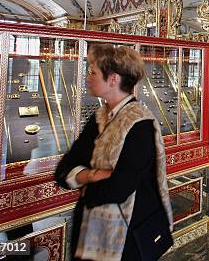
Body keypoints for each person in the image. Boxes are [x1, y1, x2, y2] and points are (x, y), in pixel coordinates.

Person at [55, 44, 173, 260]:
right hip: (89, 232)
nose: (88, 77)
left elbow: (120, 188)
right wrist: (92, 175)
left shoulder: (139, 123)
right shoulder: (99, 118)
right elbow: (63, 169)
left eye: (93, 72)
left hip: (126, 237)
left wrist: (83, 184)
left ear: (113, 79)